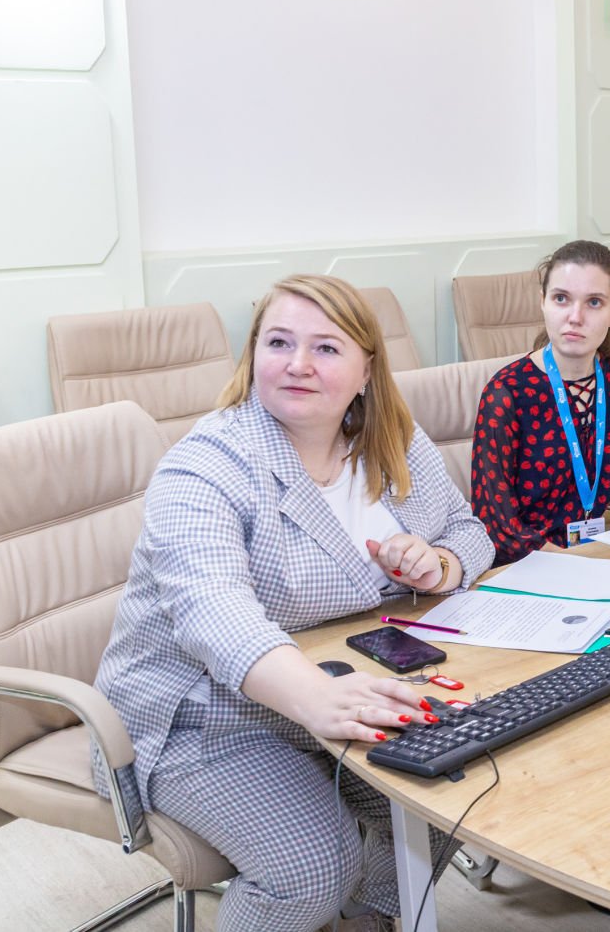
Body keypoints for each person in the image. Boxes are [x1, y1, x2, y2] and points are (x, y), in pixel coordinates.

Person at [92, 274, 495, 932]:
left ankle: (372, 918)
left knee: (456, 787)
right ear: (254, 355)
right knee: (312, 868)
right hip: (200, 715)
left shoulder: (394, 439)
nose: (298, 363)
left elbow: (468, 529)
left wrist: (441, 563)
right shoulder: (207, 464)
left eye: (327, 348)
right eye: (279, 342)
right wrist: (316, 697)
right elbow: (213, 610)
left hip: (334, 684)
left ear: (367, 370)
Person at [471, 240, 610, 561]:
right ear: (542, 302)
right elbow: (497, 525)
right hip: (528, 565)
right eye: (561, 298)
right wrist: (573, 562)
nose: (575, 317)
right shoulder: (507, 393)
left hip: (598, 551)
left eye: (594, 302)